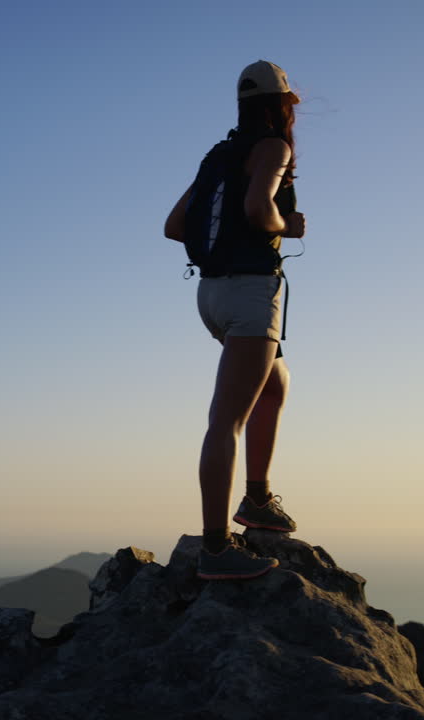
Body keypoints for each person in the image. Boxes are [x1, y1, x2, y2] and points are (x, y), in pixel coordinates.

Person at [164, 60, 307, 580]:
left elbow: (174, 226)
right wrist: (286, 226)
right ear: (282, 105)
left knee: (275, 383)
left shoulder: (217, 156)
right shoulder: (273, 148)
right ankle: (217, 551)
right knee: (225, 422)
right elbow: (256, 209)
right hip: (250, 292)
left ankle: (258, 499)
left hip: (210, 295)